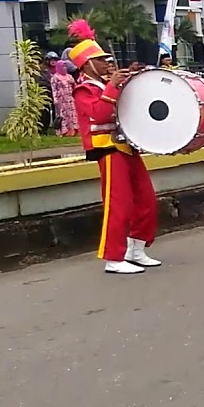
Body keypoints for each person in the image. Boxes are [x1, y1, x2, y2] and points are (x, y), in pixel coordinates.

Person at [68, 20, 161, 275]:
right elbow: (99, 114)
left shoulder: (107, 83)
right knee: (117, 204)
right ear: (87, 65)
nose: (107, 63)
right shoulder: (83, 89)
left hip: (127, 147)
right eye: (101, 59)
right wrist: (113, 86)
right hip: (107, 149)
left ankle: (136, 249)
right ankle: (113, 256)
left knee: (146, 200)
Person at [50, 59, 78, 136]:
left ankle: (73, 130)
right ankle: (64, 131)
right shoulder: (55, 77)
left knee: (72, 114)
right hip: (61, 99)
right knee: (63, 115)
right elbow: (54, 89)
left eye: (65, 66)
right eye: (63, 66)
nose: (64, 68)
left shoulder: (69, 76)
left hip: (70, 97)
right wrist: (55, 99)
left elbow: (75, 86)